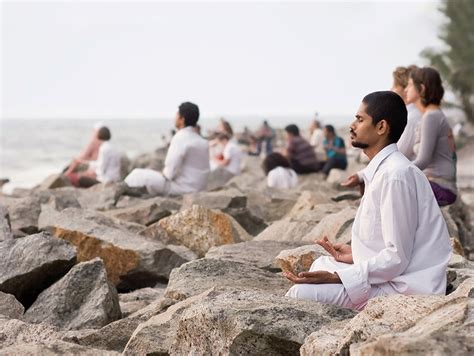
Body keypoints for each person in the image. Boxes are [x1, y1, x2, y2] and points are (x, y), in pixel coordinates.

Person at [284, 91, 451, 311]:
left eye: (360, 120)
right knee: (320, 264)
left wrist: (339, 278)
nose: (352, 126)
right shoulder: (386, 170)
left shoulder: (395, 176)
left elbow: (397, 257)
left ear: (381, 127)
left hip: (404, 290)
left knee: (301, 292)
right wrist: (355, 255)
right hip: (394, 276)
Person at [124, 102, 210, 196]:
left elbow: (169, 173)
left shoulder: (181, 137)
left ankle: (120, 193)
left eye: (177, 115)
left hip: (181, 189)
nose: (175, 118)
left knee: (136, 174)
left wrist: (161, 173)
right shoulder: (202, 141)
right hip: (199, 187)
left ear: (182, 119)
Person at [406, 67, 457, 206]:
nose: (406, 89)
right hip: (437, 185)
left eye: (410, 85)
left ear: (421, 89)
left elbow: (423, 160)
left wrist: (396, 171)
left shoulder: (431, 117)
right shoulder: (433, 115)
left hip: (441, 188)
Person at [391, 65, 422, 160]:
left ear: (405, 89)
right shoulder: (411, 114)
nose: (391, 89)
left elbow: (398, 154)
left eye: (395, 86)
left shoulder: (411, 118)